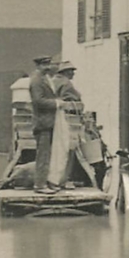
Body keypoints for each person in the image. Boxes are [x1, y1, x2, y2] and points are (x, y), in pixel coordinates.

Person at [48, 61, 84, 189]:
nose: (73, 73)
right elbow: (76, 98)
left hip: (48, 121)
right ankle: (67, 177)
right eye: (71, 71)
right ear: (65, 72)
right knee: (72, 148)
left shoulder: (51, 81)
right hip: (63, 120)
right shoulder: (66, 83)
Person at [28, 55, 60, 194]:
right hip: (43, 123)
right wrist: (57, 103)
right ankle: (40, 185)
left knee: (47, 155)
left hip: (47, 123)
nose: (48, 67)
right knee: (43, 155)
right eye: (45, 65)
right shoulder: (36, 80)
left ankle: (45, 182)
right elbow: (38, 101)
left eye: (49, 64)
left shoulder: (43, 79)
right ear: (38, 66)